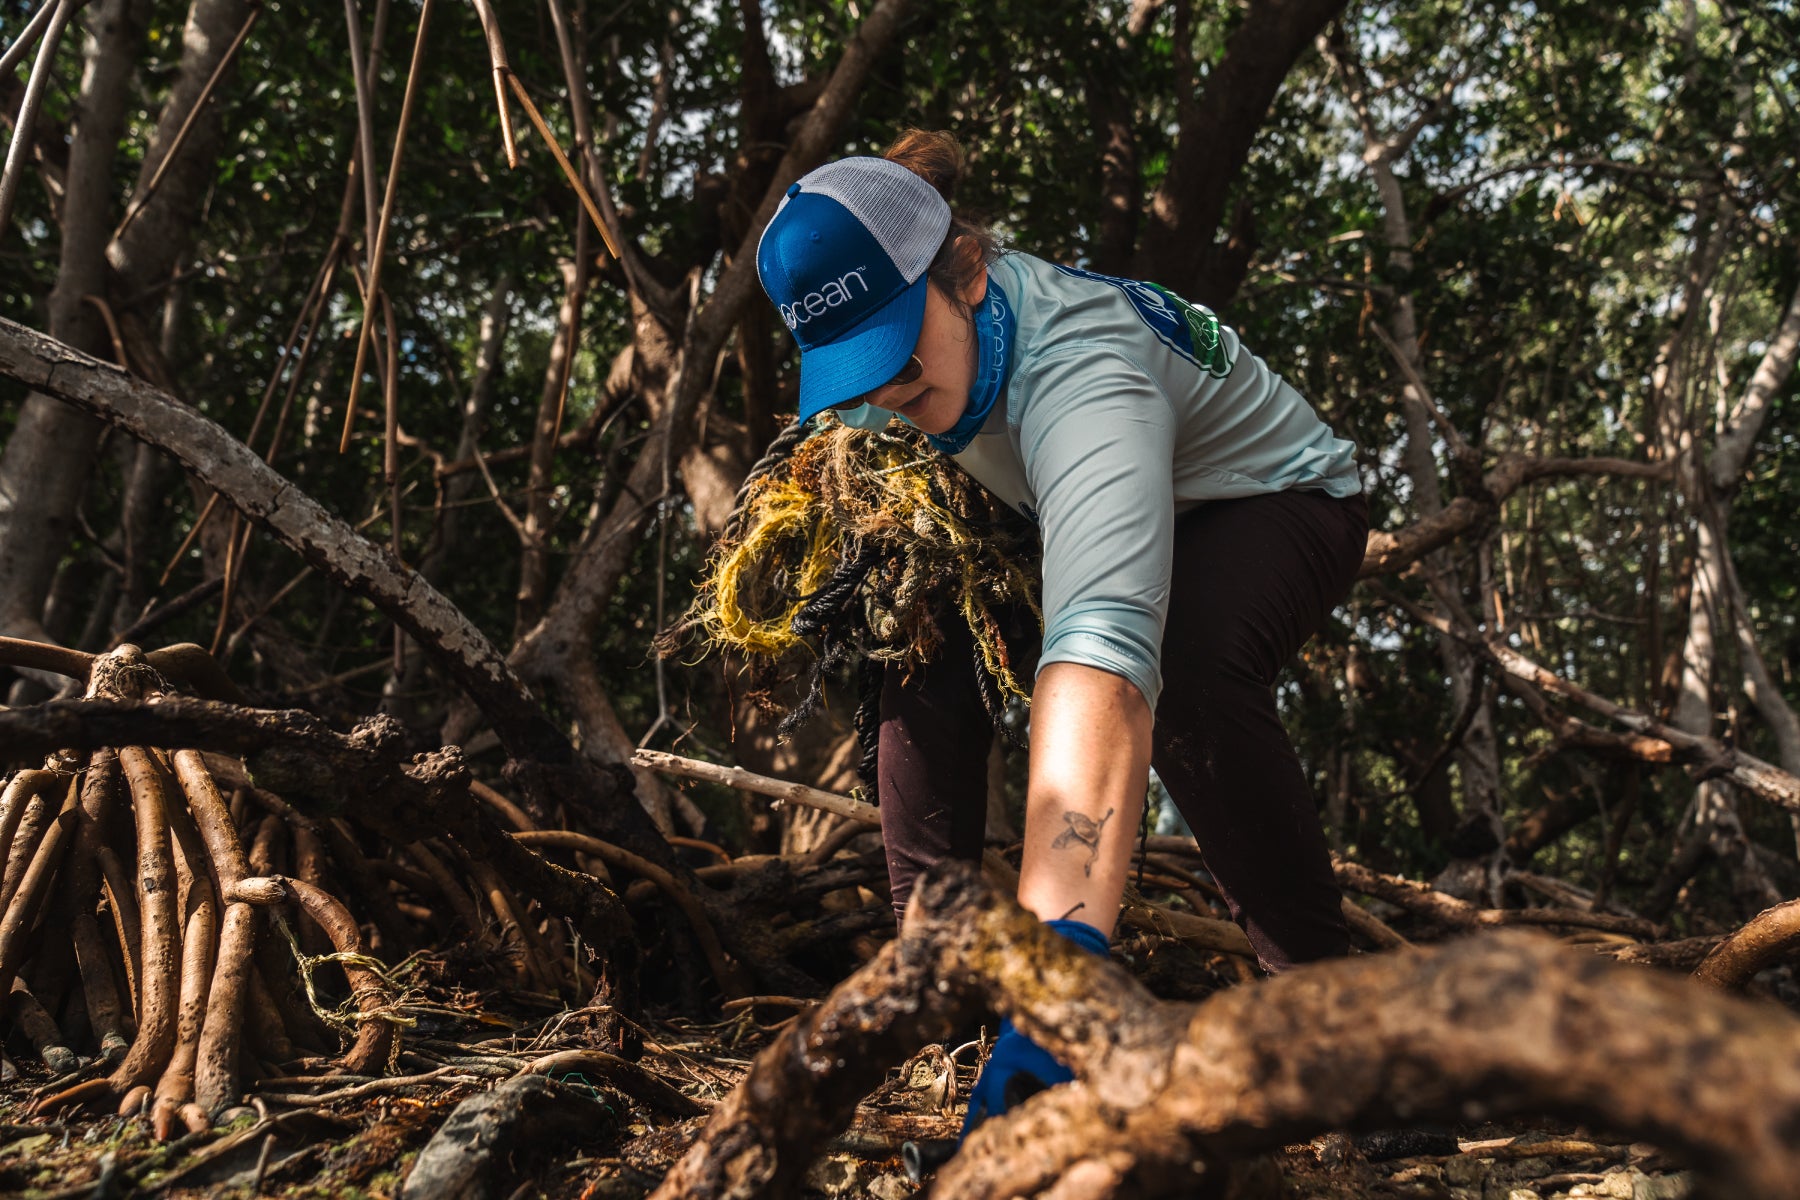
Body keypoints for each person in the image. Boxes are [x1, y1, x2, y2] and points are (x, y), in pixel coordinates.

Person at [753, 130, 1367, 1134]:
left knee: (1187, 673)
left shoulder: (1085, 380)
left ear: (968, 273)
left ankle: (1332, 1031)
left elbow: (1102, 667)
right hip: (1060, 504)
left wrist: (1059, 969)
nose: (885, 401)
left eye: (896, 357)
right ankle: (943, 1006)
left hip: (1268, 500)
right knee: (916, 627)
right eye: (854, 377)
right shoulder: (913, 370)